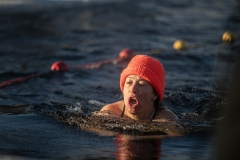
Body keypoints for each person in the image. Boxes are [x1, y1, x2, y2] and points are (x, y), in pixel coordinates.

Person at [100, 54, 178, 122]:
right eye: (129, 83)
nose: (133, 89)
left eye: (141, 84)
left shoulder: (166, 119)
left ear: (154, 95)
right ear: (123, 89)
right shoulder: (110, 112)